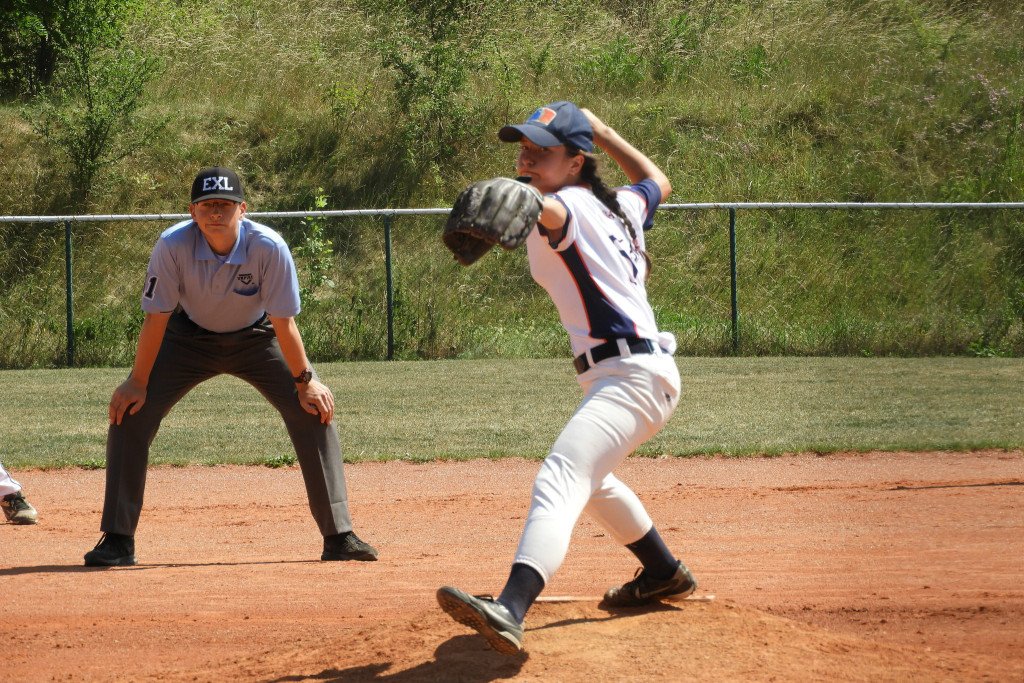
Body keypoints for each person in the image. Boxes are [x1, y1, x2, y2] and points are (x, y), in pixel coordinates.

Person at [436, 102, 696, 654]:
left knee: (562, 475)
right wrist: (602, 130)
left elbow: (552, 214)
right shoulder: (619, 205)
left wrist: (534, 198)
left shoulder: (569, 204)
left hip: (630, 375)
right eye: (523, 147)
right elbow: (656, 181)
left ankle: (510, 606)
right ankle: (664, 573)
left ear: (576, 163)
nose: (526, 157)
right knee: (593, 481)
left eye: (541, 151)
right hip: (632, 373)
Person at [83, 167, 376, 567]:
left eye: (224, 205)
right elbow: (156, 318)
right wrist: (137, 381)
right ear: (193, 211)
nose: (215, 212)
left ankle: (339, 536)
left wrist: (306, 382)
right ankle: (117, 540)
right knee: (130, 412)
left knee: (312, 409)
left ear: (243, 209)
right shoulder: (172, 245)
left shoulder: (268, 246)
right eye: (207, 205)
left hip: (257, 338)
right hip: (187, 338)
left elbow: (284, 323)